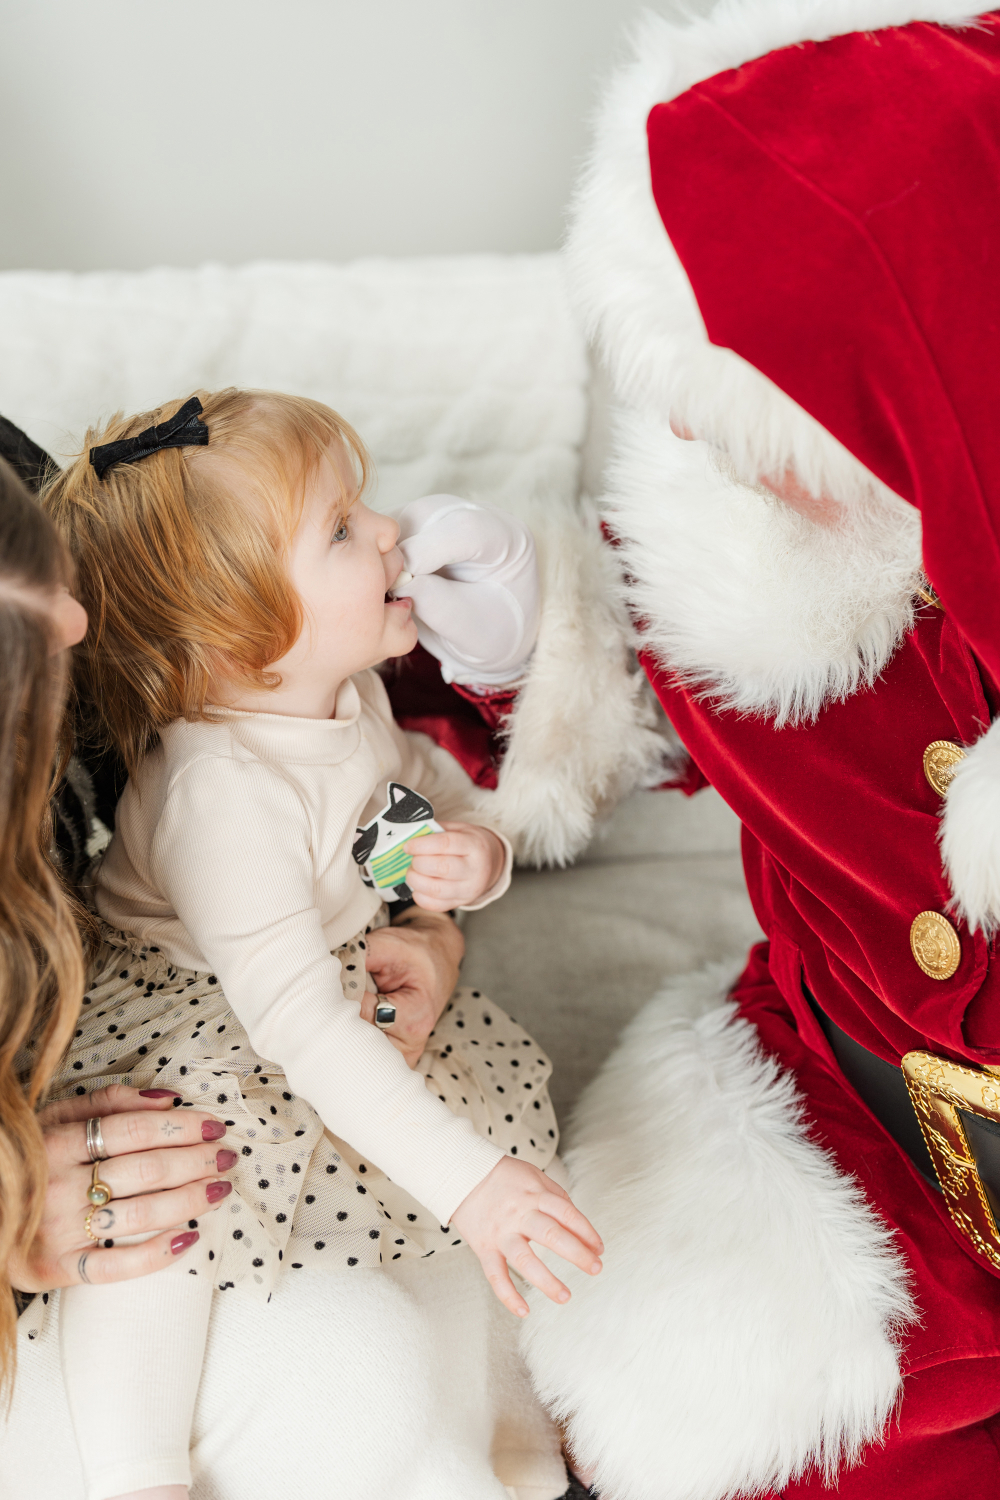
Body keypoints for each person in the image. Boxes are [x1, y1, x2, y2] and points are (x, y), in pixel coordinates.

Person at [502, 5, 1000, 1500]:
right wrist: (510, 639)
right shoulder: (722, 524)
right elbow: (654, 719)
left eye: (755, 386)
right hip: (858, 1178)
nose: (711, 438)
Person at [33, 387, 600, 1500]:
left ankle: (510, 1432)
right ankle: (130, 1464)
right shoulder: (218, 793)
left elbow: (393, 825)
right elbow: (292, 1017)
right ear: (242, 637)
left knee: (445, 1210)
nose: (391, 532)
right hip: (219, 1016)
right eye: (342, 530)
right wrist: (470, 1186)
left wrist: (461, 868)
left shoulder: (342, 703)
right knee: (161, 1218)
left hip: (329, 989)